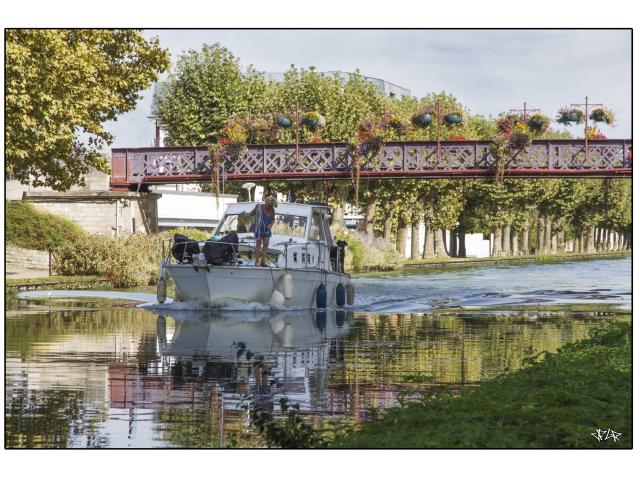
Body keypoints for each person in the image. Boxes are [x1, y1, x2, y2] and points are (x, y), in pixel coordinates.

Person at [243, 196, 277, 267]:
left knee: (266, 244)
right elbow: (251, 214)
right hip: (258, 228)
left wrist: (270, 225)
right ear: (267, 203)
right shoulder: (259, 207)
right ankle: (257, 261)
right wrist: (244, 215)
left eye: (272, 206)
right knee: (258, 244)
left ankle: (263, 261)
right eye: (269, 205)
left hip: (267, 229)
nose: (270, 207)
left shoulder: (272, 210)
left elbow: (273, 219)